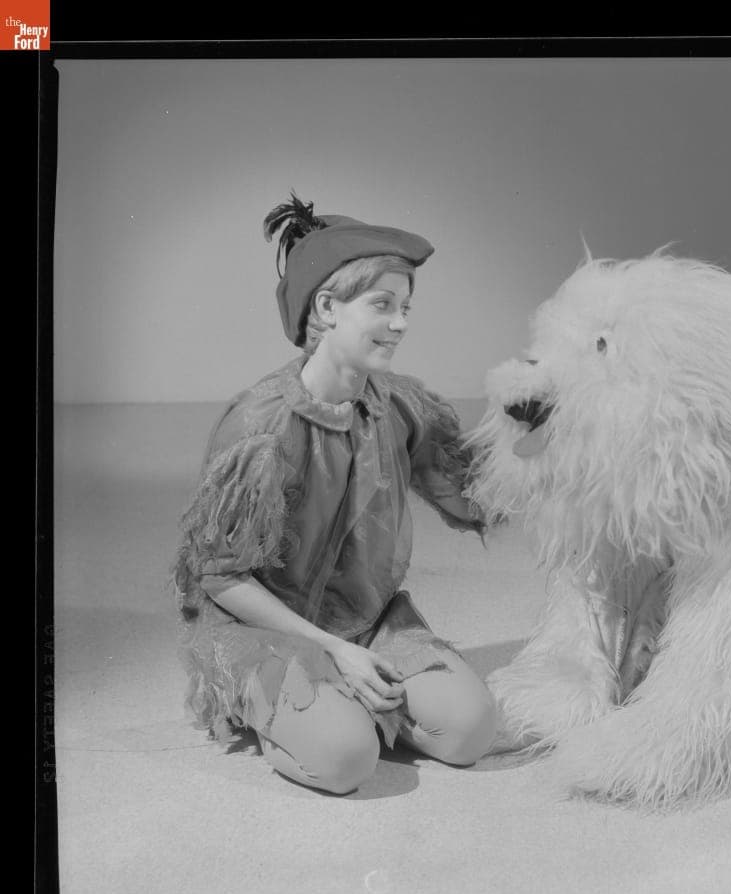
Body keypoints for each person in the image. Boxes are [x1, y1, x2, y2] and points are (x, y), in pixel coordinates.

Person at [172, 193, 496, 795]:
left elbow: (469, 490)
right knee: (348, 760)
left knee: (471, 731)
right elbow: (219, 578)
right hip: (266, 629)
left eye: (406, 307)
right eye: (382, 304)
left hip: (366, 623)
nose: (400, 323)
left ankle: (342, 702)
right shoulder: (261, 428)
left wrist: (545, 441)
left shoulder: (398, 405)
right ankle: (317, 713)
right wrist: (328, 651)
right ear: (326, 307)